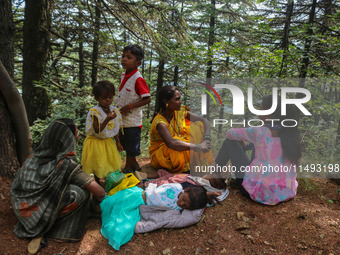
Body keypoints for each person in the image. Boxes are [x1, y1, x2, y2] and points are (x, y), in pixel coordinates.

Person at [11, 119, 105, 254]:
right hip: (41, 216)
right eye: (76, 133)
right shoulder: (66, 164)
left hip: (23, 211)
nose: (77, 136)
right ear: (67, 139)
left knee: (72, 186)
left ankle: (40, 222)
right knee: (81, 192)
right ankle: (59, 231)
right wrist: (102, 203)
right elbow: (100, 192)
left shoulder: (33, 157)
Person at [215, 95, 302, 205]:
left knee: (229, 142)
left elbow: (230, 133)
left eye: (261, 108)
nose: (258, 111)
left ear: (270, 114)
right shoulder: (291, 134)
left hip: (259, 194)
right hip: (285, 192)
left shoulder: (259, 132)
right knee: (257, 150)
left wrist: (241, 141)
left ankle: (214, 175)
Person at [149, 85, 213, 173]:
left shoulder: (180, 112)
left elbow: (204, 121)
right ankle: (185, 169)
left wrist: (206, 139)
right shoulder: (160, 122)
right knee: (177, 144)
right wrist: (198, 146)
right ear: (166, 101)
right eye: (177, 99)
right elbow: (171, 143)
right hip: (162, 156)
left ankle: (196, 164)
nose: (180, 102)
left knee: (196, 128)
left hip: (178, 148)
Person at [114, 44, 151, 173]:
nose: (124, 59)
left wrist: (129, 106)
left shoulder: (138, 79)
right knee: (124, 144)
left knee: (131, 147)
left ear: (138, 63)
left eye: (128, 57)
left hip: (133, 121)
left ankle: (128, 168)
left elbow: (147, 99)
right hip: (122, 120)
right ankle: (134, 164)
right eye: (123, 56)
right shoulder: (124, 75)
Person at [81, 80, 123, 182]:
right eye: (104, 98)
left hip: (107, 142)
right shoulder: (95, 112)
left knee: (110, 164)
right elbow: (97, 130)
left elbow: (114, 128)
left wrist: (117, 141)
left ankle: (109, 184)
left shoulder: (114, 110)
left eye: (110, 97)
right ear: (97, 98)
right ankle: (98, 184)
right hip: (95, 143)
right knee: (98, 165)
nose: (108, 100)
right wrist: (107, 119)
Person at [142, 183, 220, 210]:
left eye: (185, 206)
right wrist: (210, 193)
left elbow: (201, 204)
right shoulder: (176, 188)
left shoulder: (178, 208)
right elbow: (161, 188)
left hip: (142, 204)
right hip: (142, 193)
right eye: (184, 199)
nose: (181, 203)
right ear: (185, 190)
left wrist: (211, 195)